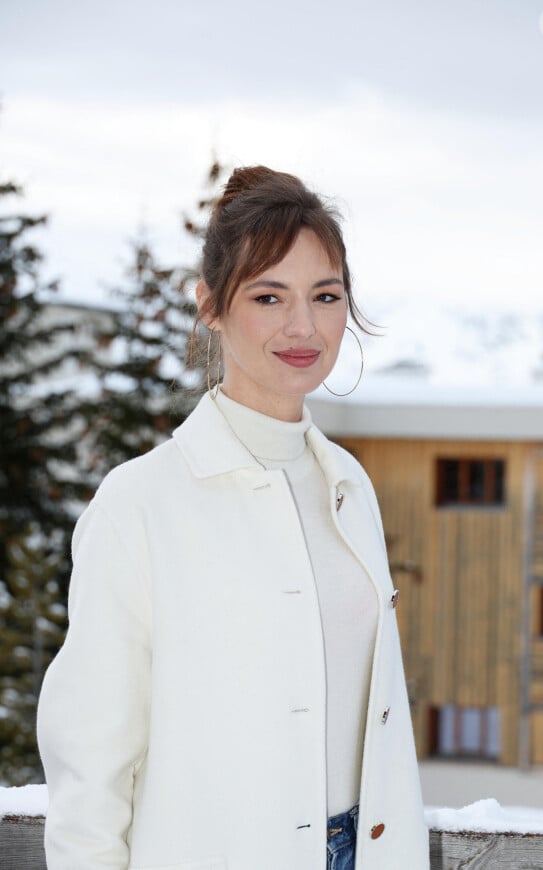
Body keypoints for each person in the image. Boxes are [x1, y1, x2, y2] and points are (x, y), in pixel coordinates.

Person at [37, 165, 429, 870]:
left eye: (325, 295)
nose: (303, 326)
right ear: (211, 305)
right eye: (269, 295)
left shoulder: (349, 487)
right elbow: (91, 766)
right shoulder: (139, 504)